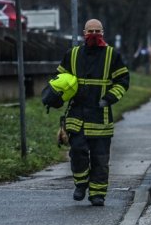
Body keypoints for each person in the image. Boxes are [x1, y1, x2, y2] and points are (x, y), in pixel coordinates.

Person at [54, 19, 130, 206]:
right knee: (77, 151)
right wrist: (54, 95)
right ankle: (81, 183)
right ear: (83, 33)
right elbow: (59, 78)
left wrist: (110, 97)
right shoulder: (72, 55)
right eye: (90, 31)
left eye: (97, 31)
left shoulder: (112, 55)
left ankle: (97, 194)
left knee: (100, 158)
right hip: (76, 114)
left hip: (101, 115)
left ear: (103, 33)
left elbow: (123, 80)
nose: (94, 34)